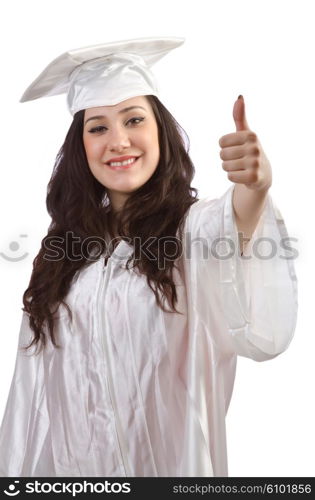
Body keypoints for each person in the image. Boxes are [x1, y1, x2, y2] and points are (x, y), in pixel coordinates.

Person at [0, 36, 298, 477]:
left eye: (133, 119)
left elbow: (235, 223)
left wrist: (255, 187)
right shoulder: (63, 254)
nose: (118, 141)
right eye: (97, 127)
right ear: (81, 148)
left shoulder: (190, 232)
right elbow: (32, 399)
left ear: (160, 131)